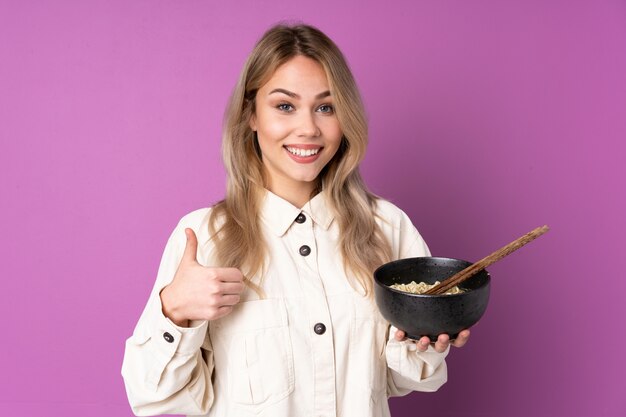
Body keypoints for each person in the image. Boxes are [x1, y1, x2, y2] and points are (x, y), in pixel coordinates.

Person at [121, 23, 470, 417]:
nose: (308, 129)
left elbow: (402, 379)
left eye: (326, 107)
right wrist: (174, 312)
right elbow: (150, 395)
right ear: (251, 114)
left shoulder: (388, 228)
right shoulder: (205, 238)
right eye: (284, 106)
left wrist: (422, 340)